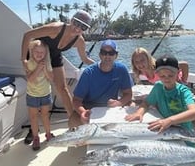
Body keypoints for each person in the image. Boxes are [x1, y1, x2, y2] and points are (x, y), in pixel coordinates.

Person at [21, 10, 95, 144]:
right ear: (70, 20)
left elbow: (85, 58)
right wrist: (23, 59)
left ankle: (74, 123)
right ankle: (33, 130)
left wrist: (103, 64)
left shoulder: (79, 41)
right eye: (76, 23)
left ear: (86, 30)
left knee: (63, 88)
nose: (77, 28)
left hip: (54, 56)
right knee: (36, 88)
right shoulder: (56, 28)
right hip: (39, 53)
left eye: (83, 27)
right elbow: (28, 35)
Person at [125, 54, 195, 133]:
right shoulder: (158, 87)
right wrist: (139, 112)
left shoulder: (184, 91)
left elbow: (194, 113)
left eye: (170, 75)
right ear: (158, 75)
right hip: (163, 126)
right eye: (162, 75)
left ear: (178, 72)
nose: (166, 78)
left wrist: (169, 120)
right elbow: (146, 103)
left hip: (183, 129)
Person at [71, 39, 133, 127]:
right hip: (89, 108)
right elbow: (76, 100)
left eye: (111, 53)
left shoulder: (121, 69)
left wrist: (119, 103)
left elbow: (128, 94)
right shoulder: (88, 73)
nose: (107, 56)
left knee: (132, 105)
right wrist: (83, 112)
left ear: (116, 55)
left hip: (110, 108)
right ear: (100, 55)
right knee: (72, 121)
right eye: (104, 52)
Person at [24, 40, 54, 151]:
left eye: (42, 52)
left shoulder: (47, 63)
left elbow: (51, 78)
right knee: (33, 117)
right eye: (37, 51)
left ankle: (48, 134)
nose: (39, 54)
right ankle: (36, 137)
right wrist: (38, 69)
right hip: (32, 95)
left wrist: (45, 69)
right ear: (32, 51)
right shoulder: (29, 63)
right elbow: (31, 80)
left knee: (45, 115)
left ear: (46, 53)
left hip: (45, 94)